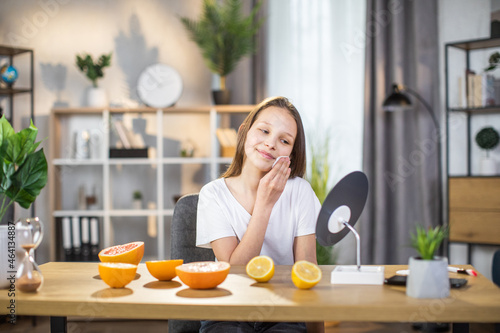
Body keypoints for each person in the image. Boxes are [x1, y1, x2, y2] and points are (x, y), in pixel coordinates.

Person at [196, 96, 324, 333]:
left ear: (292, 154)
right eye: (264, 131)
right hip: (228, 309)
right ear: (244, 132)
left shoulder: (300, 192)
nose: (270, 144)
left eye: (284, 140)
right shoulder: (212, 194)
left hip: (284, 311)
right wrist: (265, 204)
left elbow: (308, 270)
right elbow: (234, 272)